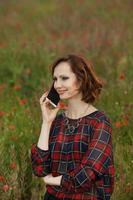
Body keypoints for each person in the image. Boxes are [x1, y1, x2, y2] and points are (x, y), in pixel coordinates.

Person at [31, 54, 115, 200]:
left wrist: (54, 180)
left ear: (81, 79)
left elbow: (87, 174)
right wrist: (46, 122)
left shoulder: (100, 122)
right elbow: (40, 168)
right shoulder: (57, 121)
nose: (57, 85)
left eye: (64, 78)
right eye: (55, 79)